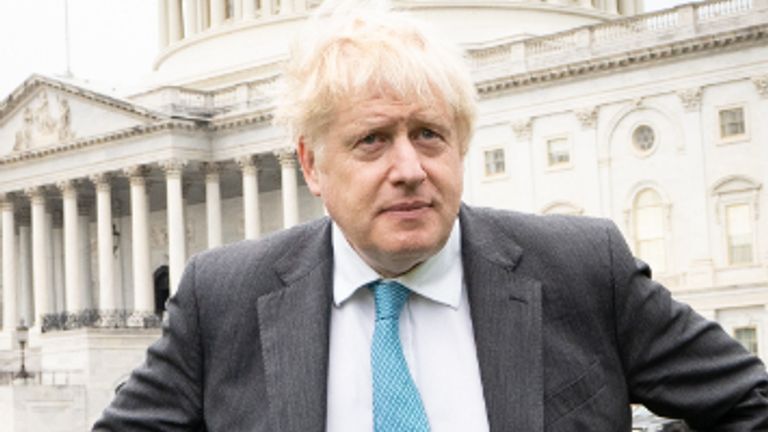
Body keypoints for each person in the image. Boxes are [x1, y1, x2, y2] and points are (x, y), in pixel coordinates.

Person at [93, 4, 768, 432]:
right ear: (311, 165)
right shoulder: (224, 299)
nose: (410, 168)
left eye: (430, 135)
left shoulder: (583, 271)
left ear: (462, 145)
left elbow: (751, 405)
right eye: (372, 140)